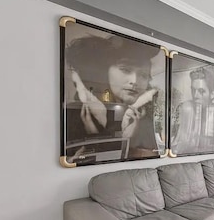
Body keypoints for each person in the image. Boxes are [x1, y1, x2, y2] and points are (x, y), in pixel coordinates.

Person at [64, 35, 160, 163]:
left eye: (143, 75)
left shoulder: (143, 115)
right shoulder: (79, 110)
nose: (134, 81)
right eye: (125, 69)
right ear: (105, 71)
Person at [171, 66, 214, 154]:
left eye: (201, 91)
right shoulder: (185, 109)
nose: (195, 96)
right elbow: (175, 144)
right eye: (193, 90)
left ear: (212, 94)